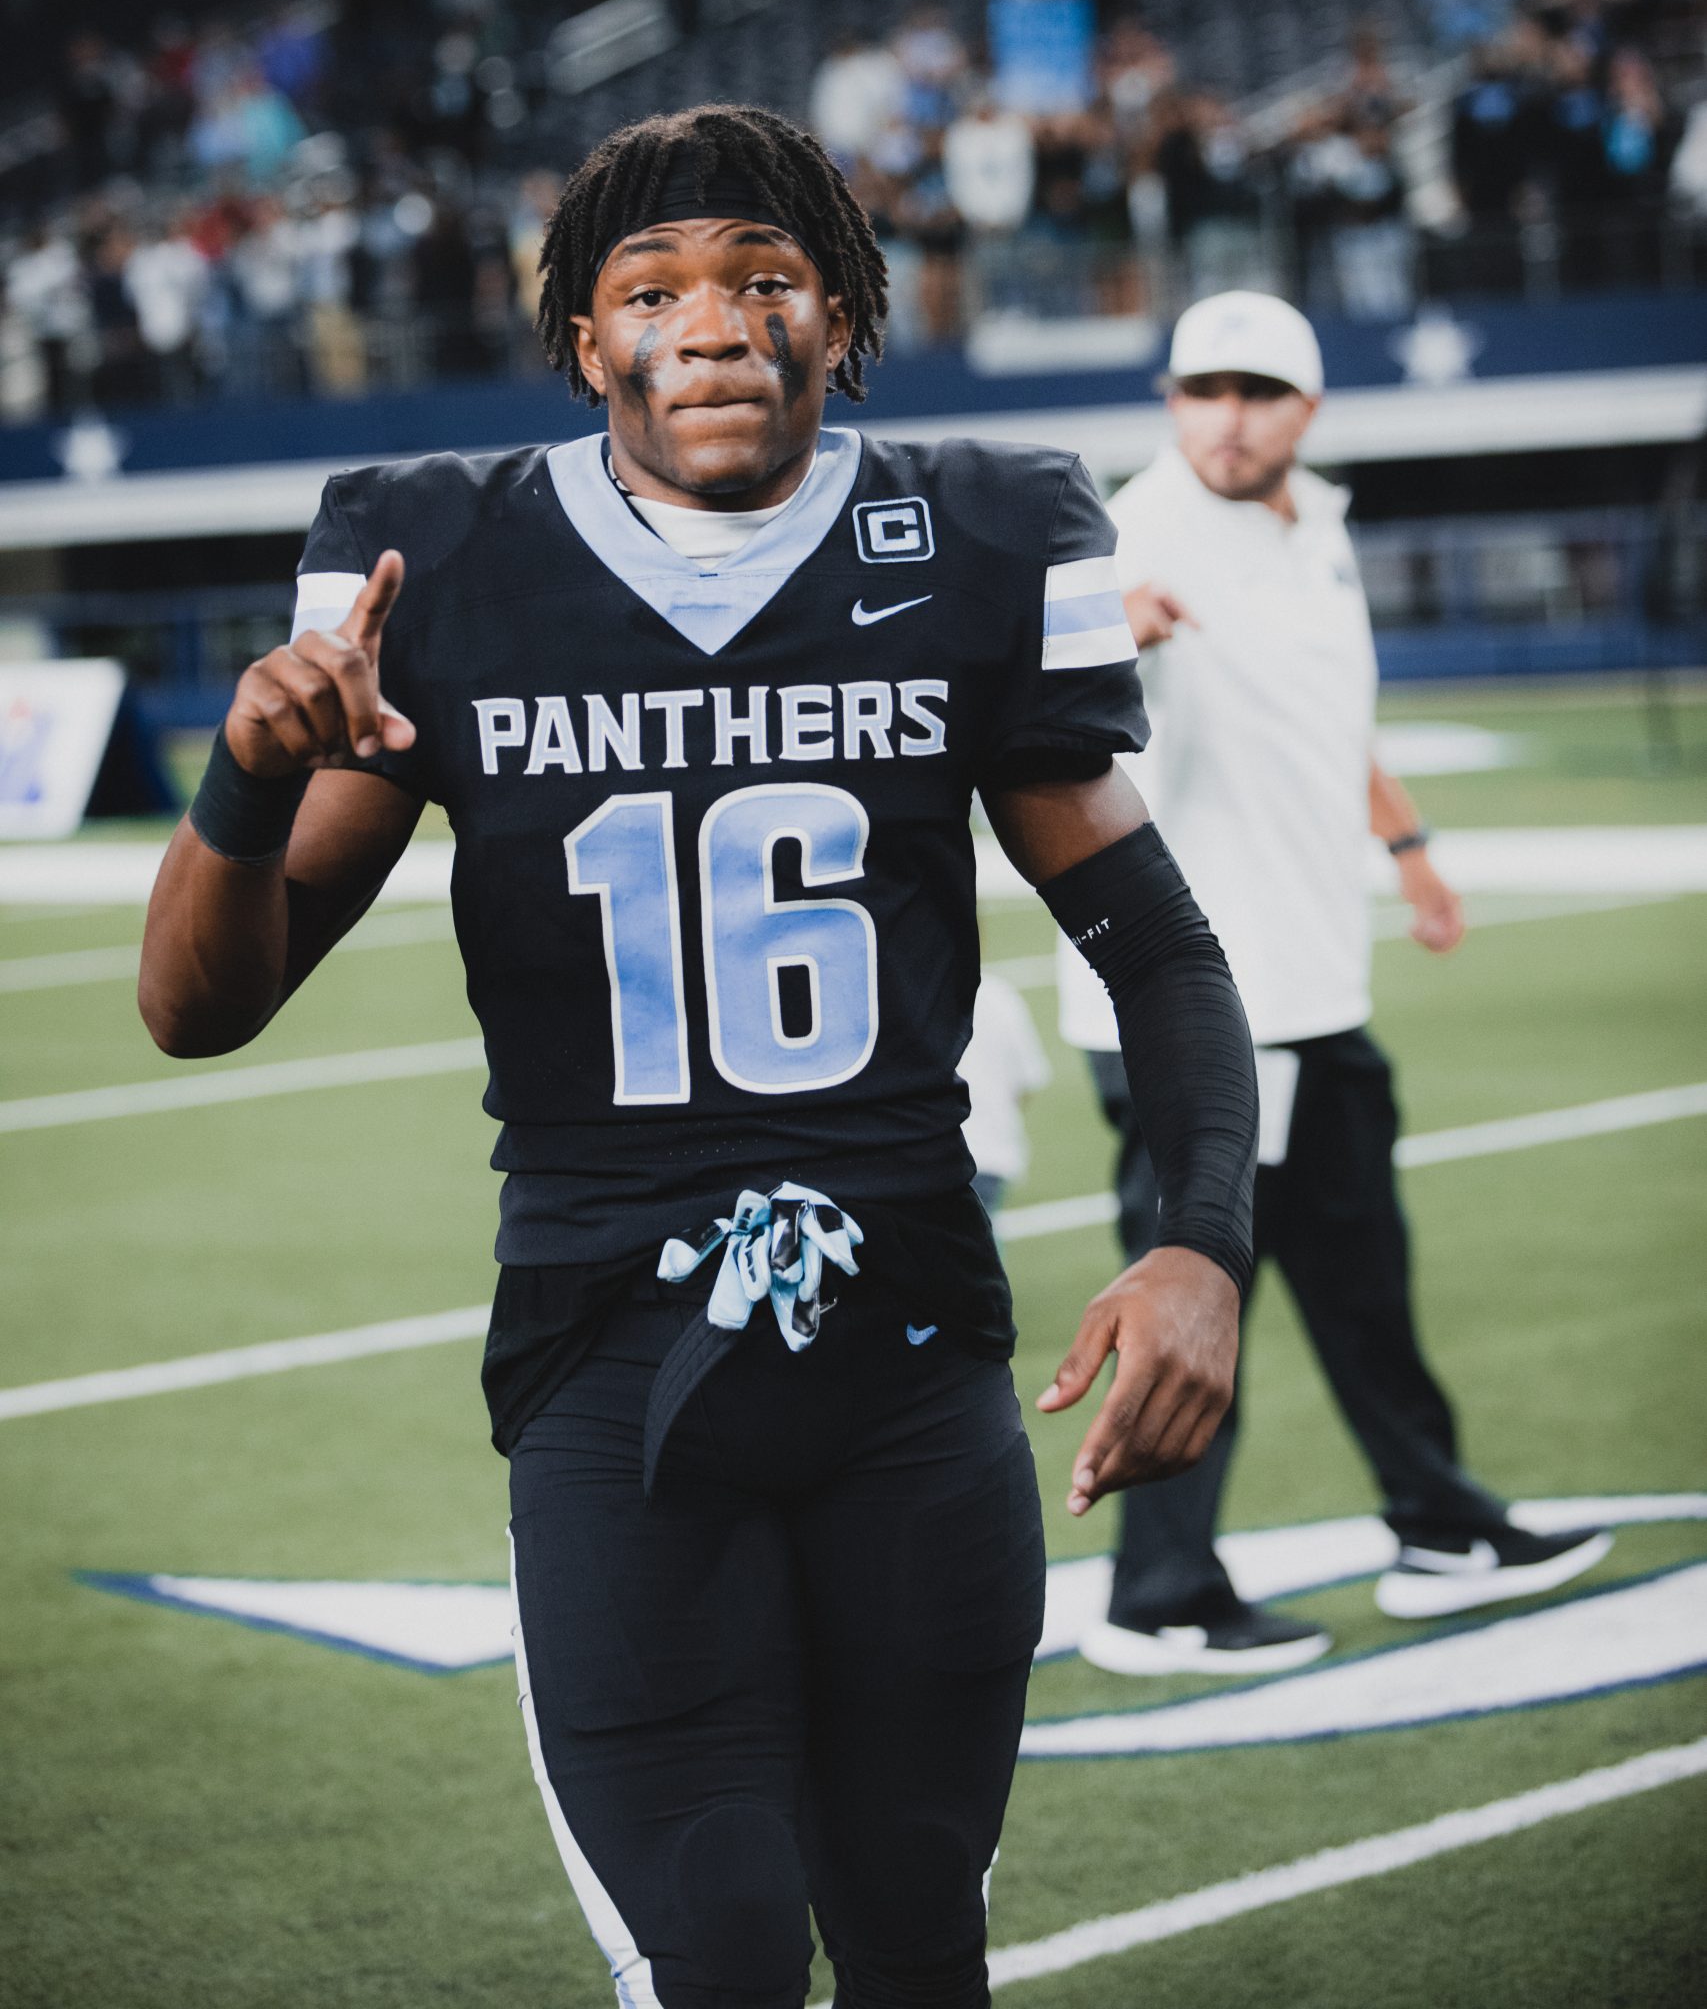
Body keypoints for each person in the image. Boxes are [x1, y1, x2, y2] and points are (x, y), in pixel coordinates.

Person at [138, 104, 1259, 2009]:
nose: (716, 323)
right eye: (652, 290)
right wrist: (246, 780)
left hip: (911, 1341)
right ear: (585, 343)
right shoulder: (440, 565)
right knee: (720, 1945)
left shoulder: (973, 536)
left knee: (917, 1926)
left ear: (846, 317)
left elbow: (1154, 945)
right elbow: (198, 1005)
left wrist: (1199, 1244)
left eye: (766, 278)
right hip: (609, 1355)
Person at [1058, 287, 1613, 1680]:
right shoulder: (1124, 536)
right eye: (1203, 389)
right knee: (1193, 1293)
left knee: (1363, 1280)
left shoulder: (1314, 527)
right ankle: (1158, 1593)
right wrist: (1104, 632)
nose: (1227, 418)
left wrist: (1407, 849)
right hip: (1195, 1011)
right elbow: (1028, 703)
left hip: (1310, 992)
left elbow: (1325, 723)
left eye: (1257, 392)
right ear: (1170, 402)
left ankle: (1438, 1524)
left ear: (1305, 409)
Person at [957, 971, 1050, 1219]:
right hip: (991, 1153)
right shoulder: (1000, 996)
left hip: (932, 1154)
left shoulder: (907, 996)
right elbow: (1027, 1081)